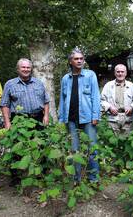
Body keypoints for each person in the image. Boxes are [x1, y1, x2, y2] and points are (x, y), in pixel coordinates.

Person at [58, 48, 100, 183]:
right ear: (71, 61)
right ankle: (76, 179)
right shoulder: (65, 78)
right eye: (76, 59)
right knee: (74, 150)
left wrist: (95, 116)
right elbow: (62, 100)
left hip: (88, 118)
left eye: (81, 58)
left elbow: (95, 96)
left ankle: (93, 179)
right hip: (71, 119)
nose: (79, 61)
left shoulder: (90, 75)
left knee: (92, 148)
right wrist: (61, 119)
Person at [0, 58, 50, 130]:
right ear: (18, 69)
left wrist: (46, 116)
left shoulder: (39, 83)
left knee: (40, 140)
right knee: (19, 141)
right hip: (19, 120)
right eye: (23, 67)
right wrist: (7, 122)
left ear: (31, 69)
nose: (26, 69)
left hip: (38, 119)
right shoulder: (10, 84)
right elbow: (4, 105)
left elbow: (46, 101)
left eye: (28, 67)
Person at [101, 64, 133, 137]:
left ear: (126, 73)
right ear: (115, 73)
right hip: (112, 119)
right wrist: (110, 107)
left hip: (128, 119)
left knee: (126, 142)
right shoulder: (108, 85)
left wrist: (131, 107)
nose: (120, 74)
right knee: (112, 142)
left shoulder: (132, 86)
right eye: (118, 72)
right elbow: (101, 100)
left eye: (122, 72)